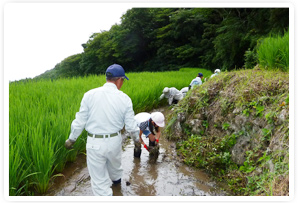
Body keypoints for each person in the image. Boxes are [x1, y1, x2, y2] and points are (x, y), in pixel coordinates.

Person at [64, 64, 139, 196]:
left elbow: (80, 120)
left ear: (107, 78)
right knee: (115, 168)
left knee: (99, 182)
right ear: (120, 80)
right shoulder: (125, 99)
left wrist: (72, 139)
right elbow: (131, 126)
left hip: (94, 143)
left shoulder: (89, 95)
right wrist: (137, 141)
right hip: (114, 141)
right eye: (123, 81)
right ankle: (117, 187)